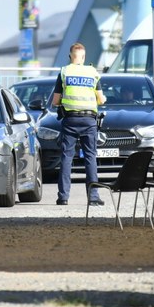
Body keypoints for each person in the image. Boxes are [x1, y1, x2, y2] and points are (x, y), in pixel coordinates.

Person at [50, 42, 107, 206]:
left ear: (70, 56)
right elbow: (101, 99)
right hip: (89, 120)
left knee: (67, 157)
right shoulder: (92, 73)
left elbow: (55, 101)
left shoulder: (64, 72)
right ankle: (93, 197)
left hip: (70, 120)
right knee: (90, 157)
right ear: (84, 57)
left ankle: (63, 197)